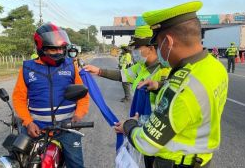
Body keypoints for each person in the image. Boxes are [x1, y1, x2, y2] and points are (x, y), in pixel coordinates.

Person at [114, 1, 228, 168]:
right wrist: (159, 85)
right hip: (200, 158)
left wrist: (128, 125)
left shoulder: (181, 88)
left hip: (175, 162)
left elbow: (146, 142)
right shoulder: (214, 66)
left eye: (158, 44)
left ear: (168, 42)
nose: (158, 50)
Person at [12, 23, 90, 168]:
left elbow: (83, 94)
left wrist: (78, 115)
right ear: (41, 48)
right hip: (36, 128)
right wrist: (28, 122)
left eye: (61, 48)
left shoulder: (70, 65)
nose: (58, 52)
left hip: (67, 128)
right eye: (53, 49)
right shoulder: (27, 68)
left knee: (76, 164)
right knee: (16, 159)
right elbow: (19, 98)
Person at [84, 25, 170, 104]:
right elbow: (122, 75)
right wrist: (99, 71)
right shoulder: (141, 66)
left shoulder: (165, 70)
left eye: (137, 48)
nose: (133, 51)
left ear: (150, 48)